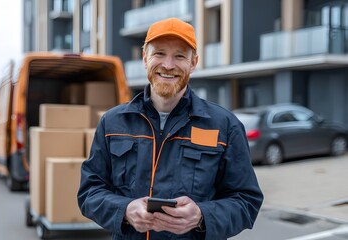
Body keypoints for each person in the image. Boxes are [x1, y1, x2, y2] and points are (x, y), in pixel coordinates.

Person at [78, 17, 263, 240]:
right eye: (159, 53)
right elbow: (90, 193)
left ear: (193, 63)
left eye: (179, 56)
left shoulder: (225, 126)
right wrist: (124, 210)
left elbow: (247, 201)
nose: (168, 65)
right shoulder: (112, 123)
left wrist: (201, 216)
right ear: (145, 58)